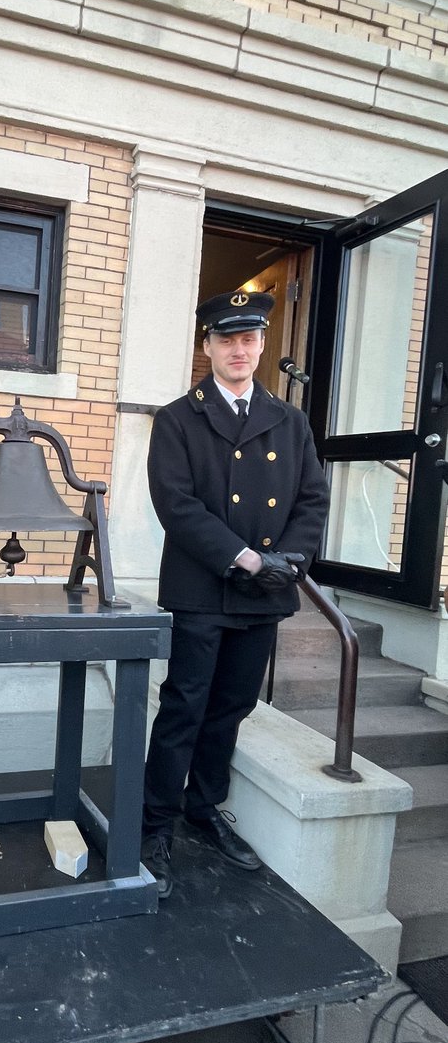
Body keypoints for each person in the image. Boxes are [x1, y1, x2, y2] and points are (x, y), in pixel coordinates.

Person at [142, 289, 329, 899]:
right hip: (205, 587)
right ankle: (155, 825)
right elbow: (177, 504)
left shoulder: (290, 420)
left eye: (249, 340)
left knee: (233, 708)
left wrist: (292, 562)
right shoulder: (178, 418)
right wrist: (243, 557)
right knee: (185, 708)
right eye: (228, 339)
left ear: (262, 346)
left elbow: (310, 499)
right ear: (208, 346)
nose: (240, 350)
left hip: (266, 593)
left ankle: (204, 809)